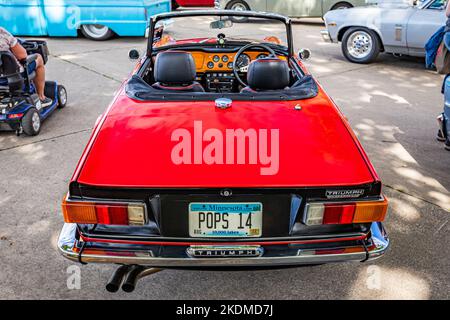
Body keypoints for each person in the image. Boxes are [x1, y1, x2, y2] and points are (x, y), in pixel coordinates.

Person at [0, 27, 52, 107]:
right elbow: (22, 55)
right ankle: (41, 97)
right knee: (38, 57)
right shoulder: (2, 33)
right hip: (11, 77)